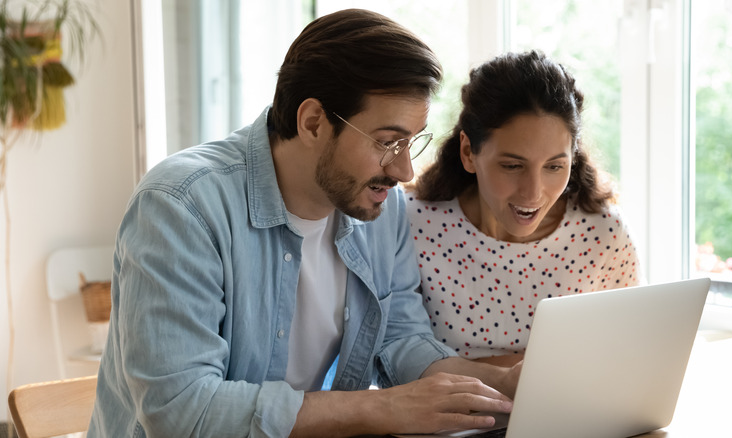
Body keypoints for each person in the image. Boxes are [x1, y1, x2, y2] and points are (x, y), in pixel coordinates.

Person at [88, 9, 521, 438]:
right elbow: (182, 411)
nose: (405, 170)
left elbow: (399, 339)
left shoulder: (380, 206)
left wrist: (500, 385)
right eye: (389, 143)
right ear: (313, 122)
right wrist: (381, 407)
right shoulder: (181, 206)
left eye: (411, 141)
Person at [406, 51, 642, 366]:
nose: (534, 193)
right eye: (513, 165)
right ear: (468, 152)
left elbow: (630, 355)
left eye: (554, 167)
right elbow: (393, 357)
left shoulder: (603, 234)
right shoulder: (413, 225)